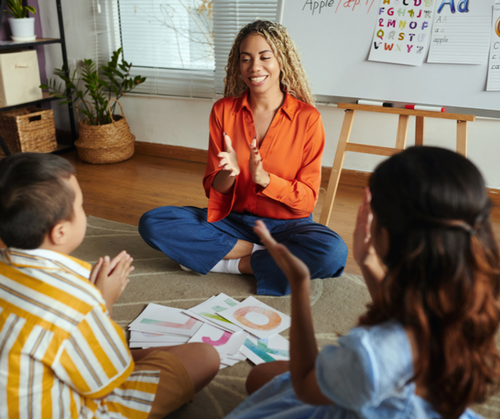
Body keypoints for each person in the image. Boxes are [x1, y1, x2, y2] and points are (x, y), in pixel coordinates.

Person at [224, 146, 500, 419]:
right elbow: (407, 316)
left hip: (363, 400)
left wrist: (299, 284)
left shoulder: (369, 351)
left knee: (269, 383)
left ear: (386, 232)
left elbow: (306, 384)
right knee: (264, 376)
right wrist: (367, 263)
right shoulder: (474, 300)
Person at [0, 153, 219, 419]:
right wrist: (104, 304)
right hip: (77, 404)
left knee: (143, 352)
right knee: (205, 355)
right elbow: (107, 382)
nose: (84, 211)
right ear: (60, 232)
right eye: (81, 206)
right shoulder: (77, 302)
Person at [139, 20, 348, 296]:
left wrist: (266, 180)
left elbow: (307, 199)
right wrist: (229, 174)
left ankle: (228, 264)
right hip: (232, 222)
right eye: (246, 59)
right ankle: (264, 255)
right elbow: (212, 189)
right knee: (153, 222)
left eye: (264, 57)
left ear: (281, 60)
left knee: (332, 252)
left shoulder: (308, 118)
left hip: (288, 226)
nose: (254, 67)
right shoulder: (223, 111)